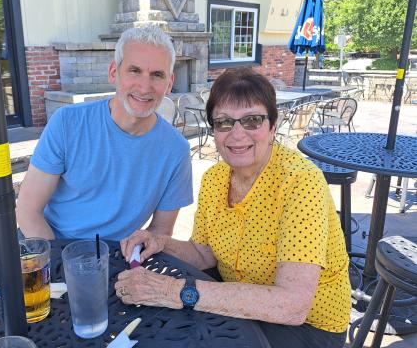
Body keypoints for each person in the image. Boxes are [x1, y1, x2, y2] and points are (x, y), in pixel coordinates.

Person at [115, 68, 351, 348]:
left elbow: (292, 305)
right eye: (224, 122)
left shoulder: (300, 182)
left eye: (252, 120)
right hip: (235, 302)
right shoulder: (215, 178)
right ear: (214, 131)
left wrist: (174, 291)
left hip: (308, 327)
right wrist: (160, 242)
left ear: (273, 127)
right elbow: (204, 253)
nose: (237, 134)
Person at [16, 25, 193, 240]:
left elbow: (160, 232)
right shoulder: (68, 123)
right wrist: (60, 260)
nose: (144, 87)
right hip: (51, 245)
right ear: (113, 73)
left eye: (157, 75)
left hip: (117, 256)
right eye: (134, 71)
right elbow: (28, 210)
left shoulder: (176, 150)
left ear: (169, 83)